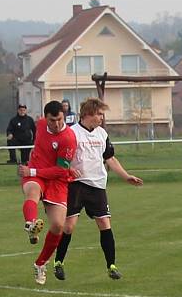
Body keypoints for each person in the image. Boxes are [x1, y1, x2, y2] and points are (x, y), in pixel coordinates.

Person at [53, 98, 143, 281]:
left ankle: (112, 266)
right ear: (87, 114)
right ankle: (58, 262)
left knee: (104, 224)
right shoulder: (72, 133)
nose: (102, 117)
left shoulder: (102, 134)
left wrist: (126, 176)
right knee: (69, 227)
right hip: (76, 185)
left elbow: (110, 158)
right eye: (99, 114)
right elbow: (60, 160)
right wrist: (69, 170)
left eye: (102, 114)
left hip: (98, 186)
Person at [18, 100, 78, 285]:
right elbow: (38, 145)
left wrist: (32, 171)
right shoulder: (40, 124)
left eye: (60, 119)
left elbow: (61, 171)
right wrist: (32, 166)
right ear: (46, 119)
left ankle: (40, 264)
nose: (57, 123)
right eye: (53, 120)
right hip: (35, 174)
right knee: (32, 193)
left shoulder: (68, 138)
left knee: (59, 226)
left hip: (56, 181)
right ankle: (30, 225)